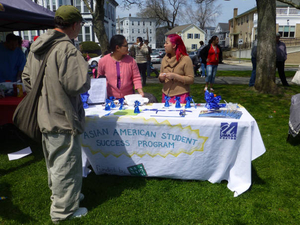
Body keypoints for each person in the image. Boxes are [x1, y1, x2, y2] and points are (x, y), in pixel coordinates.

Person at [22, 5, 90, 223]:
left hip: (44, 113)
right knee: (65, 164)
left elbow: (26, 79)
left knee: (56, 162)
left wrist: (45, 95)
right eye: (80, 24)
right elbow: (77, 84)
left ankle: (65, 198)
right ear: (75, 24)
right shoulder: (67, 49)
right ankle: (63, 211)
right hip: (63, 115)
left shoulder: (38, 46)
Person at [158, 34, 194, 103]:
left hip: (181, 96)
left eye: (167, 43)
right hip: (166, 95)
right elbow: (161, 76)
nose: (164, 45)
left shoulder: (186, 59)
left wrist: (175, 76)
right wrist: (161, 78)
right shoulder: (164, 59)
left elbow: (191, 79)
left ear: (174, 45)